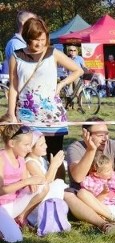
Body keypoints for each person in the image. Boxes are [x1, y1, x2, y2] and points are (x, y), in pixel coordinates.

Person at [4, 16, 82, 160]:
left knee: (54, 155)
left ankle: (56, 182)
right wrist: (11, 114)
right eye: (36, 40)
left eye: (43, 39)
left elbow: (78, 70)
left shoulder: (53, 53)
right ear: (27, 37)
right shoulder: (16, 56)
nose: (40, 44)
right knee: (27, 157)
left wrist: (61, 84)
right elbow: (13, 86)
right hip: (26, 115)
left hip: (51, 116)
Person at [0, 122, 47, 243]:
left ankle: (21, 218)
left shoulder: (21, 159)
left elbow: (27, 181)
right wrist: (27, 181)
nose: (29, 149)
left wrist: (31, 182)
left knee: (43, 187)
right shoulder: (1, 158)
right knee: (15, 239)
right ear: (11, 143)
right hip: (2, 206)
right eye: (26, 145)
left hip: (13, 204)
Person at [25, 130, 67, 201]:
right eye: (41, 145)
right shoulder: (31, 163)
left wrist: (55, 166)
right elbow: (45, 182)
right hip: (39, 196)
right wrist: (53, 165)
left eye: (45, 143)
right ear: (30, 148)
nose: (46, 146)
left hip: (48, 190)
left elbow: (51, 179)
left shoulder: (41, 159)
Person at [2, 10, 35, 75]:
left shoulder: (25, 43)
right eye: (32, 21)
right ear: (23, 23)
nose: (36, 24)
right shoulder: (15, 44)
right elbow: (24, 70)